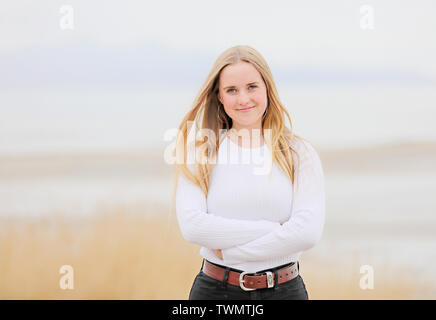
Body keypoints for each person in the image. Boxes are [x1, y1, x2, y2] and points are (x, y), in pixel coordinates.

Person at [171, 45, 325, 300]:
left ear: (267, 88)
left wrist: (229, 252)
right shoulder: (199, 152)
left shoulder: (299, 152)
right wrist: (276, 229)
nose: (243, 99)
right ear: (219, 96)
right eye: (231, 90)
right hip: (215, 292)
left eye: (252, 87)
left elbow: (307, 233)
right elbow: (193, 227)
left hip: (285, 292)